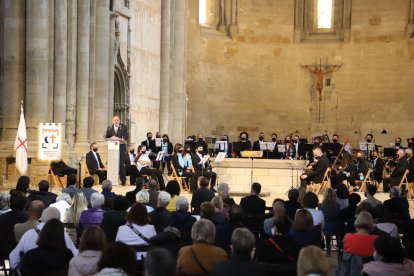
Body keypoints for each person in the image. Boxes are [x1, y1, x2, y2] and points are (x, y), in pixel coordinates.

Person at [9, 207, 78, 270]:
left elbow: (13, 260)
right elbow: (75, 258)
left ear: (41, 218)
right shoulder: (63, 236)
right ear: (58, 221)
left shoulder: (29, 234)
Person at [0, 191, 28, 259]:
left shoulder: (2, 218)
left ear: (10, 203)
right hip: (25, 252)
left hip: (6, 251)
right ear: (25, 203)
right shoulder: (29, 217)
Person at [104, 115, 128, 185]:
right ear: (112, 121)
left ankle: (123, 180)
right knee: (112, 163)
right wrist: (111, 137)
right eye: (114, 120)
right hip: (113, 148)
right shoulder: (110, 127)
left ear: (119, 120)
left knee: (121, 163)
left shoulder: (123, 127)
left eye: (117, 120)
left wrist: (121, 139)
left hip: (121, 146)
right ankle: (112, 180)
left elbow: (126, 136)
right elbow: (106, 137)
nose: (116, 121)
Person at [319, 188, 342, 256]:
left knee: (327, 230)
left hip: (326, 226)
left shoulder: (320, 205)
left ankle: (328, 251)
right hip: (335, 226)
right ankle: (339, 249)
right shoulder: (337, 205)